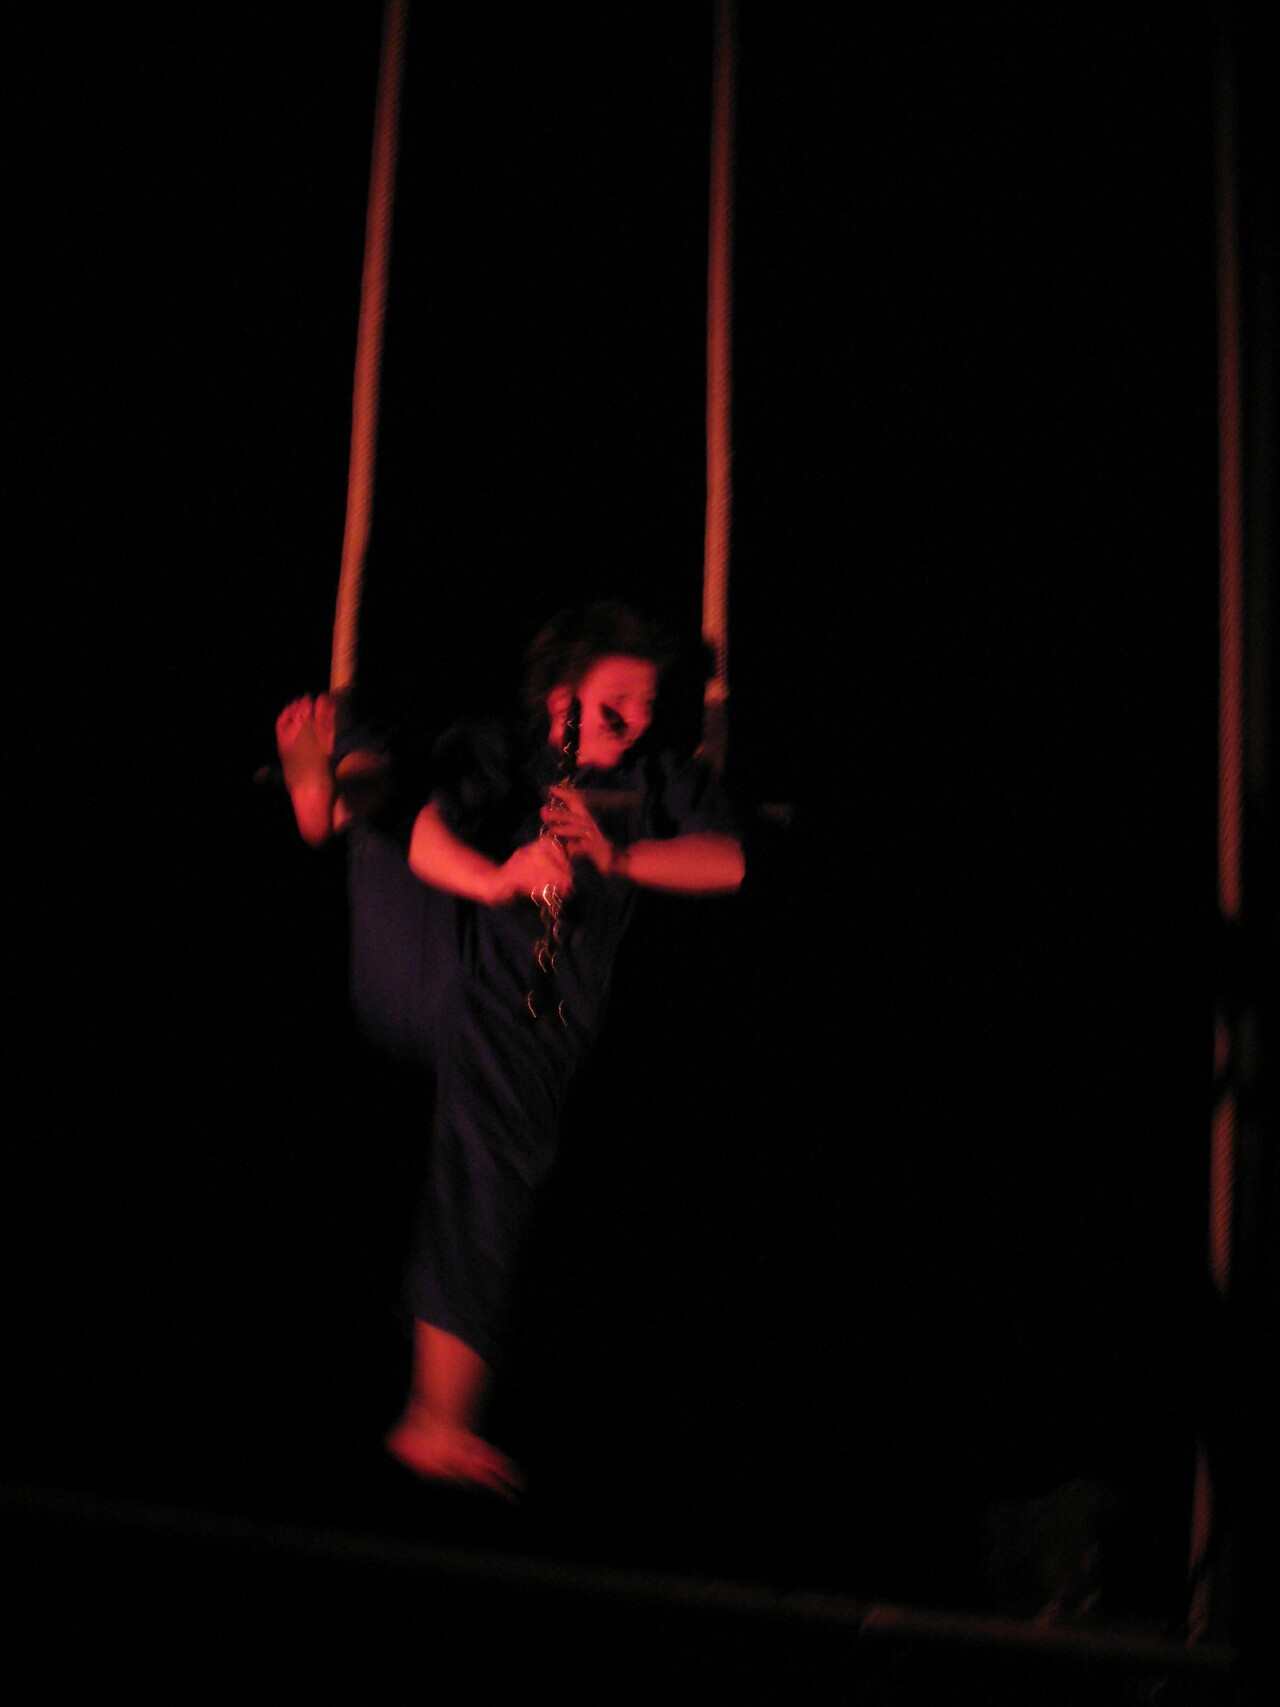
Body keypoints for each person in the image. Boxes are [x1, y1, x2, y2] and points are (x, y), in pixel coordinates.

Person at [275, 603, 745, 1496]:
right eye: (616, 702)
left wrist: (618, 859)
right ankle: (328, 789)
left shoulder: (660, 779)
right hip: (426, 959)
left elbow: (728, 861)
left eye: (648, 704)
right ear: (562, 700)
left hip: (526, 1009)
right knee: (398, 777)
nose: (636, 721)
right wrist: (499, 876)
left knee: (492, 1156)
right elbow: (421, 822)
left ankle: (436, 1416)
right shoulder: (496, 749)